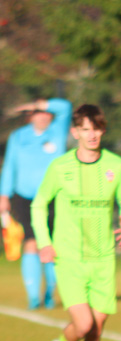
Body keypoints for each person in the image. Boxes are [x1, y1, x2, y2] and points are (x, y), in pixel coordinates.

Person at [30, 104, 121, 341]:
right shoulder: (60, 167)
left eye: (97, 128)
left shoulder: (115, 165)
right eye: (86, 129)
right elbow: (39, 205)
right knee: (84, 324)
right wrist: (44, 242)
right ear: (75, 132)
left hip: (103, 258)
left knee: (97, 329)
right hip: (69, 258)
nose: (92, 135)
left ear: (103, 130)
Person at [1, 97, 72, 309]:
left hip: (54, 196)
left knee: (53, 244)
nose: (42, 116)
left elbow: (66, 107)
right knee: (31, 242)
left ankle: (50, 292)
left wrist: (39, 103)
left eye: (45, 112)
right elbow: (10, 166)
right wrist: (4, 195)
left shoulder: (58, 131)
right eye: (37, 113)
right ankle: (33, 295)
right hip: (25, 197)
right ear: (30, 116)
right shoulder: (19, 137)